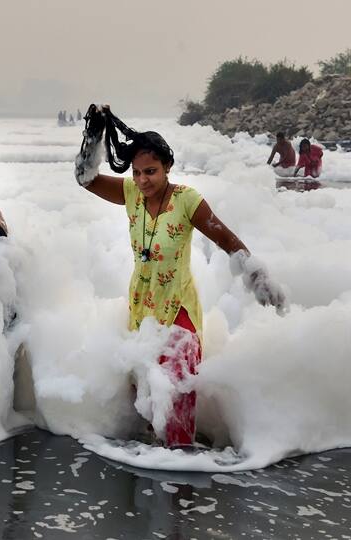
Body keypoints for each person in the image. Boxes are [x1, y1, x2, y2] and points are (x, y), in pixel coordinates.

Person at [74, 104, 287, 448]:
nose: (143, 180)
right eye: (138, 172)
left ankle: (181, 480)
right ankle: (149, 477)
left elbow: (228, 240)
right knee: (145, 401)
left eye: (152, 172)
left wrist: (259, 280)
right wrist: (93, 135)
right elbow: (86, 180)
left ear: (168, 167)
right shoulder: (131, 194)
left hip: (178, 312)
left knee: (175, 398)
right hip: (142, 313)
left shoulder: (188, 201)